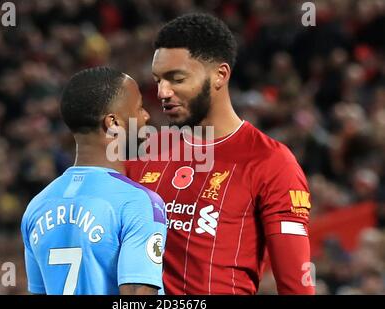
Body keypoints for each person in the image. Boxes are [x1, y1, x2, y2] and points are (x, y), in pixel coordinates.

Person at [125, 13, 315, 294]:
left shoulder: (271, 162)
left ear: (220, 75)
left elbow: (296, 285)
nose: (163, 92)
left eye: (176, 78)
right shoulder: (146, 152)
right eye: (158, 80)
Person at [21, 67, 167, 295]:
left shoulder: (37, 205)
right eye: (139, 108)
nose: (146, 116)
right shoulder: (138, 202)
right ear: (113, 122)